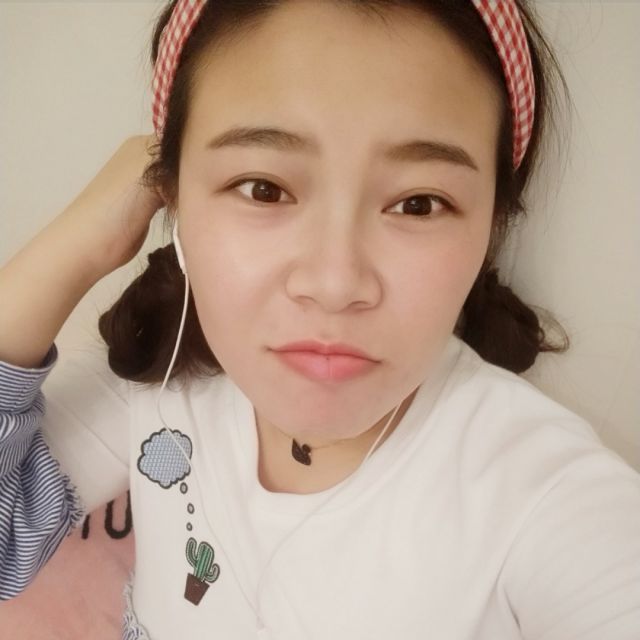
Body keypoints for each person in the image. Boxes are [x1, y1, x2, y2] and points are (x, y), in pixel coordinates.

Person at [1, 0, 639, 638]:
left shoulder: (543, 493)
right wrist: (81, 244)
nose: (335, 285)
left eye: (419, 204)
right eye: (263, 188)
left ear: (490, 226)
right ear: (173, 196)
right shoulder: (163, 383)